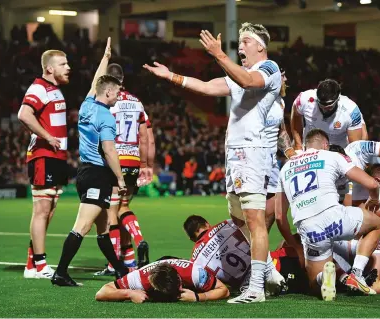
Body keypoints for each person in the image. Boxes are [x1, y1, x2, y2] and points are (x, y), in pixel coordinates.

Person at [144, 23, 283, 303]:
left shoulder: (269, 68)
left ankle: (256, 288)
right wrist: (170, 75)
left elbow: (248, 81)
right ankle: (268, 271)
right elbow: (208, 87)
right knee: (237, 219)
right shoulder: (239, 73)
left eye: (245, 41)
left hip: (252, 153)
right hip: (235, 156)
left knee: (255, 221)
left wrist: (219, 55)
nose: (240, 46)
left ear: (260, 46)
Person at [51, 38, 129, 286]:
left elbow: (96, 83)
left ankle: (119, 270)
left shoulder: (86, 105)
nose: (119, 95)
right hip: (97, 174)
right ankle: (60, 273)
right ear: (108, 92)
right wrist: (119, 178)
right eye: (117, 91)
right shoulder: (105, 116)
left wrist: (105, 58)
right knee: (82, 226)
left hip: (85, 172)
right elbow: (109, 150)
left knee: (103, 229)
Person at [276, 129, 380, 300]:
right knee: (376, 223)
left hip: (309, 229)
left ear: (305, 146)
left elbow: (280, 217)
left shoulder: (285, 168)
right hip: (335, 218)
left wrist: (296, 247)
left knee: (314, 286)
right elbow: (371, 183)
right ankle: (356, 273)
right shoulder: (332, 156)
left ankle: (322, 277)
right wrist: (375, 199)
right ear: (326, 145)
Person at [18, 49, 70, 279]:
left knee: (50, 209)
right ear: (50, 68)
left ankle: (32, 264)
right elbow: (24, 114)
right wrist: (48, 137)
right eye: (63, 64)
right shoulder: (39, 87)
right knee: (41, 210)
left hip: (56, 157)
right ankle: (39, 265)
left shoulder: (54, 90)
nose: (68, 67)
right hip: (43, 155)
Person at [94, 63, 150, 277]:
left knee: (111, 212)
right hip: (133, 159)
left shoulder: (108, 101)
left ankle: (113, 263)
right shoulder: (137, 103)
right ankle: (135, 246)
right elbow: (144, 137)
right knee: (123, 206)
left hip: (115, 159)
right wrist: (144, 164)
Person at [183, 215, 305, 294]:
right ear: (207, 223)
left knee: (283, 245)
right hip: (276, 265)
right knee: (294, 242)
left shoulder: (196, 259)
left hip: (252, 286)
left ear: (192, 239)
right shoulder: (227, 224)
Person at [95, 259, 230, 303]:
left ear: (179, 278)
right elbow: (101, 292)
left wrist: (199, 296)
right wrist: (129, 293)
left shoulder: (194, 273)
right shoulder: (140, 279)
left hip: (179, 263)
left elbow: (224, 290)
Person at [290, 79, 364, 150]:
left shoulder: (351, 111)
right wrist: (298, 146)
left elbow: (355, 147)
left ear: (338, 99)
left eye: (329, 106)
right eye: (322, 105)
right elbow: (296, 115)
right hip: (310, 148)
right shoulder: (304, 99)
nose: (325, 109)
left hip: (338, 151)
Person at [265, 68, 295, 231]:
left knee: (272, 211)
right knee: (249, 214)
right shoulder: (257, 97)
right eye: (282, 75)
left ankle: (257, 251)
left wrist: (289, 151)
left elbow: (281, 129)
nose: (286, 78)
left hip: (270, 160)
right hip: (252, 157)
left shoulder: (280, 102)